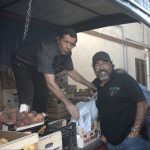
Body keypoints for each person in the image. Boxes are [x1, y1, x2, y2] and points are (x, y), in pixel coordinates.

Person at [12, 28, 96, 120]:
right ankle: (23, 125)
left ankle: (41, 125)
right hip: (23, 63)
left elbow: (71, 72)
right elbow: (50, 83)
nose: (68, 46)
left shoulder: (67, 53)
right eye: (66, 42)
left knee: (42, 95)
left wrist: (92, 86)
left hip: (38, 67)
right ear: (58, 40)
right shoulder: (47, 49)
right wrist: (68, 103)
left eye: (72, 44)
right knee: (27, 95)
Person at [92, 51, 149, 150]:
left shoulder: (123, 79)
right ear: (93, 68)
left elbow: (142, 103)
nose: (101, 67)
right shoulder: (95, 85)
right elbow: (103, 111)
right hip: (111, 142)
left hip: (131, 142)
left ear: (111, 64)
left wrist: (135, 131)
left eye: (104, 63)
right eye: (97, 64)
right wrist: (103, 134)